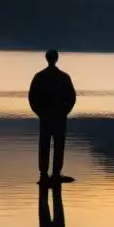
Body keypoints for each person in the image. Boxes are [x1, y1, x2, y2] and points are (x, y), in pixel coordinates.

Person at [28, 49, 76, 182]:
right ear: (56, 59)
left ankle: (44, 173)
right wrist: (64, 112)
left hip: (46, 116)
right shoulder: (64, 77)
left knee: (44, 145)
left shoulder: (39, 77)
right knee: (59, 145)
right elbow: (72, 98)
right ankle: (56, 173)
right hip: (58, 117)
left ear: (46, 59)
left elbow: (32, 98)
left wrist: (39, 112)